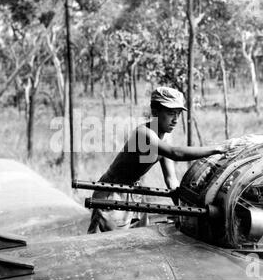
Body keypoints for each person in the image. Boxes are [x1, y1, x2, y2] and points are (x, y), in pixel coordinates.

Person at [88, 87, 231, 233]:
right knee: (108, 245)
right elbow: (175, 153)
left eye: (178, 114)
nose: (175, 119)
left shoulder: (165, 137)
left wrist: (184, 212)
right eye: (170, 113)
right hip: (113, 191)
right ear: (155, 112)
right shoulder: (144, 134)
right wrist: (214, 149)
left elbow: (171, 180)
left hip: (134, 192)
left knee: (135, 242)